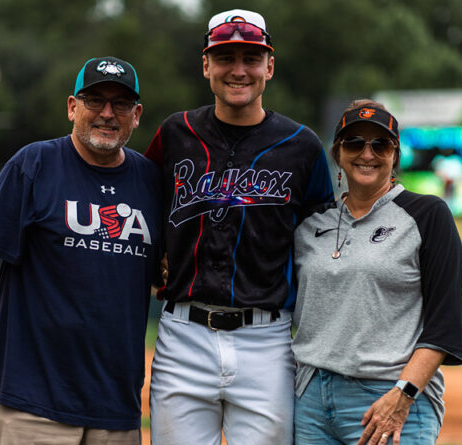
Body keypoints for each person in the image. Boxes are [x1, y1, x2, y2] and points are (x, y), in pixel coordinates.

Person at [143, 9, 334, 445]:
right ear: (206, 65)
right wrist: (157, 264)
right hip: (183, 334)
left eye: (251, 57)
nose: (238, 70)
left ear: (270, 65)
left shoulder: (301, 146)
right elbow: (143, 206)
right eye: (225, 57)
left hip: (267, 338)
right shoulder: (176, 133)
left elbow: (322, 240)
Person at [0, 56, 161, 445]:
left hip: (116, 408)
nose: (107, 113)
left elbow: (161, 270)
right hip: (30, 404)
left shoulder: (150, 179)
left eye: (121, 104)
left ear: (137, 115)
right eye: (94, 100)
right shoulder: (34, 164)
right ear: (72, 107)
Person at [292, 99, 462, 445]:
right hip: (311, 400)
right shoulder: (310, 224)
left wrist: (402, 395)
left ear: (395, 153)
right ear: (337, 153)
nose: (367, 154)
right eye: (354, 142)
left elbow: (446, 324)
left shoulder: (427, 215)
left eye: (380, 144)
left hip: (389, 394)